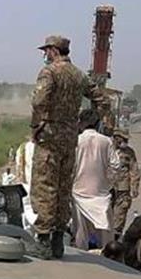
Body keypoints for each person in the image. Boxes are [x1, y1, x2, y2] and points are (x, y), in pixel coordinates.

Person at [28, 35, 105, 259]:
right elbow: (100, 98)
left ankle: (42, 240)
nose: (45, 55)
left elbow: (39, 101)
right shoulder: (80, 75)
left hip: (49, 138)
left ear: (53, 50)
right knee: (63, 187)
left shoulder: (49, 72)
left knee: (44, 186)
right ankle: (57, 241)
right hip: (70, 138)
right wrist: (88, 120)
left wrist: (37, 125)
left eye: (47, 51)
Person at [69, 108, 113, 250]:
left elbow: (70, 166)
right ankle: (108, 257)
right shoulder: (106, 141)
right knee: (105, 233)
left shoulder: (76, 141)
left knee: (81, 234)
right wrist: (108, 183)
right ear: (97, 124)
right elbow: (116, 165)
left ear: (80, 123)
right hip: (101, 195)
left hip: (79, 193)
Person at [108, 128, 138, 234]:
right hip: (107, 186)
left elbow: (134, 170)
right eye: (123, 139)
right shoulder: (107, 148)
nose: (125, 142)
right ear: (116, 138)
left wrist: (134, 187)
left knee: (120, 212)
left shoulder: (129, 152)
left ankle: (116, 234)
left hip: (122, 187)